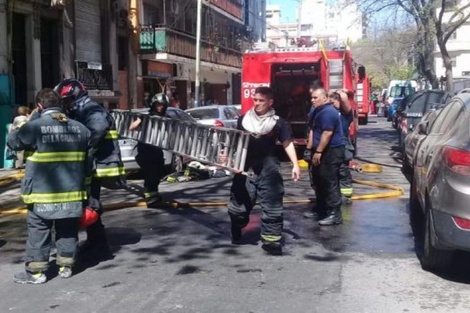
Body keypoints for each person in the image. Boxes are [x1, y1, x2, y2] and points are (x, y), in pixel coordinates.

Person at [8, 89, 91, 284]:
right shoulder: (81, 129)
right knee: (67, 229)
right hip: (72, 193)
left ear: (39, 106)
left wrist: (28, 121)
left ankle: (36, 273)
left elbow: (13, 142)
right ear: (61, 104)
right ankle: (65, 266)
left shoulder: (34, 127)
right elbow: (88, 163)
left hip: (42, 194)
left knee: (39, 231)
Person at [54, 78, 125, 261]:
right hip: (93, 165)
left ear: (75, 95)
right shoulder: (80, 109)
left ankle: (100, 248)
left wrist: (83, 148)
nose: (65, 104)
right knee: (89, 204)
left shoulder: (91, 109)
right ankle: (95, 243)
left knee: (91, 205)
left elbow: (98, 128)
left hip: (99, 165)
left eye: (66, 100)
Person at [226, 86, 300, 256]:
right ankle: (237, 227)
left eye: (261, 101)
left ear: (270, 102)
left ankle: (271, 240)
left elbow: (287, 143)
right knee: (238, 205)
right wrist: (230, 160)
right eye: (255, 100)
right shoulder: (243, 120)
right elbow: (235, 142)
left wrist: (295, 165)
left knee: (272, 204)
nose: (257, 103)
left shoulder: (278, 122)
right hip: (245, 165)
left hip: (269, 166)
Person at [305, 88, 345, 226]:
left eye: (315, 97)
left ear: (325, 98)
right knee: (318, 180)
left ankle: (335, 214)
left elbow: (327, 133)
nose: (312, 100)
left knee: (329, 181)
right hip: (320, 150)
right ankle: (321, 209)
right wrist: (309, 149)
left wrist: (319, 152)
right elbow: (313, 130)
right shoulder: (317, 111)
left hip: (332, 151)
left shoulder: (328, 112)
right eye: (312, 98)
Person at [129, 93, 169, 207]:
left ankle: (154, 193)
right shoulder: (146, 117)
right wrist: (140, 121)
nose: (160, 107)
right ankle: (150, 196)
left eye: (162, 105)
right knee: (150, 173)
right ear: (153, 105)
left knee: (158, 171)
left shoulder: (167, 119)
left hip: (157, 149)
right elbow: (132, 127)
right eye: (158, 105)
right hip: (145, 149)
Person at [330, 90, 354, 204]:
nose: (333, 104)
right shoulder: (328, 112)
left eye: (335, 101)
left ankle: (346, 197)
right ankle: (333, 197)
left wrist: (338, 91)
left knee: (343, 172)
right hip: (331, 146)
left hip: (343, 145)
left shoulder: (345, 114)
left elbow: (344, 98)